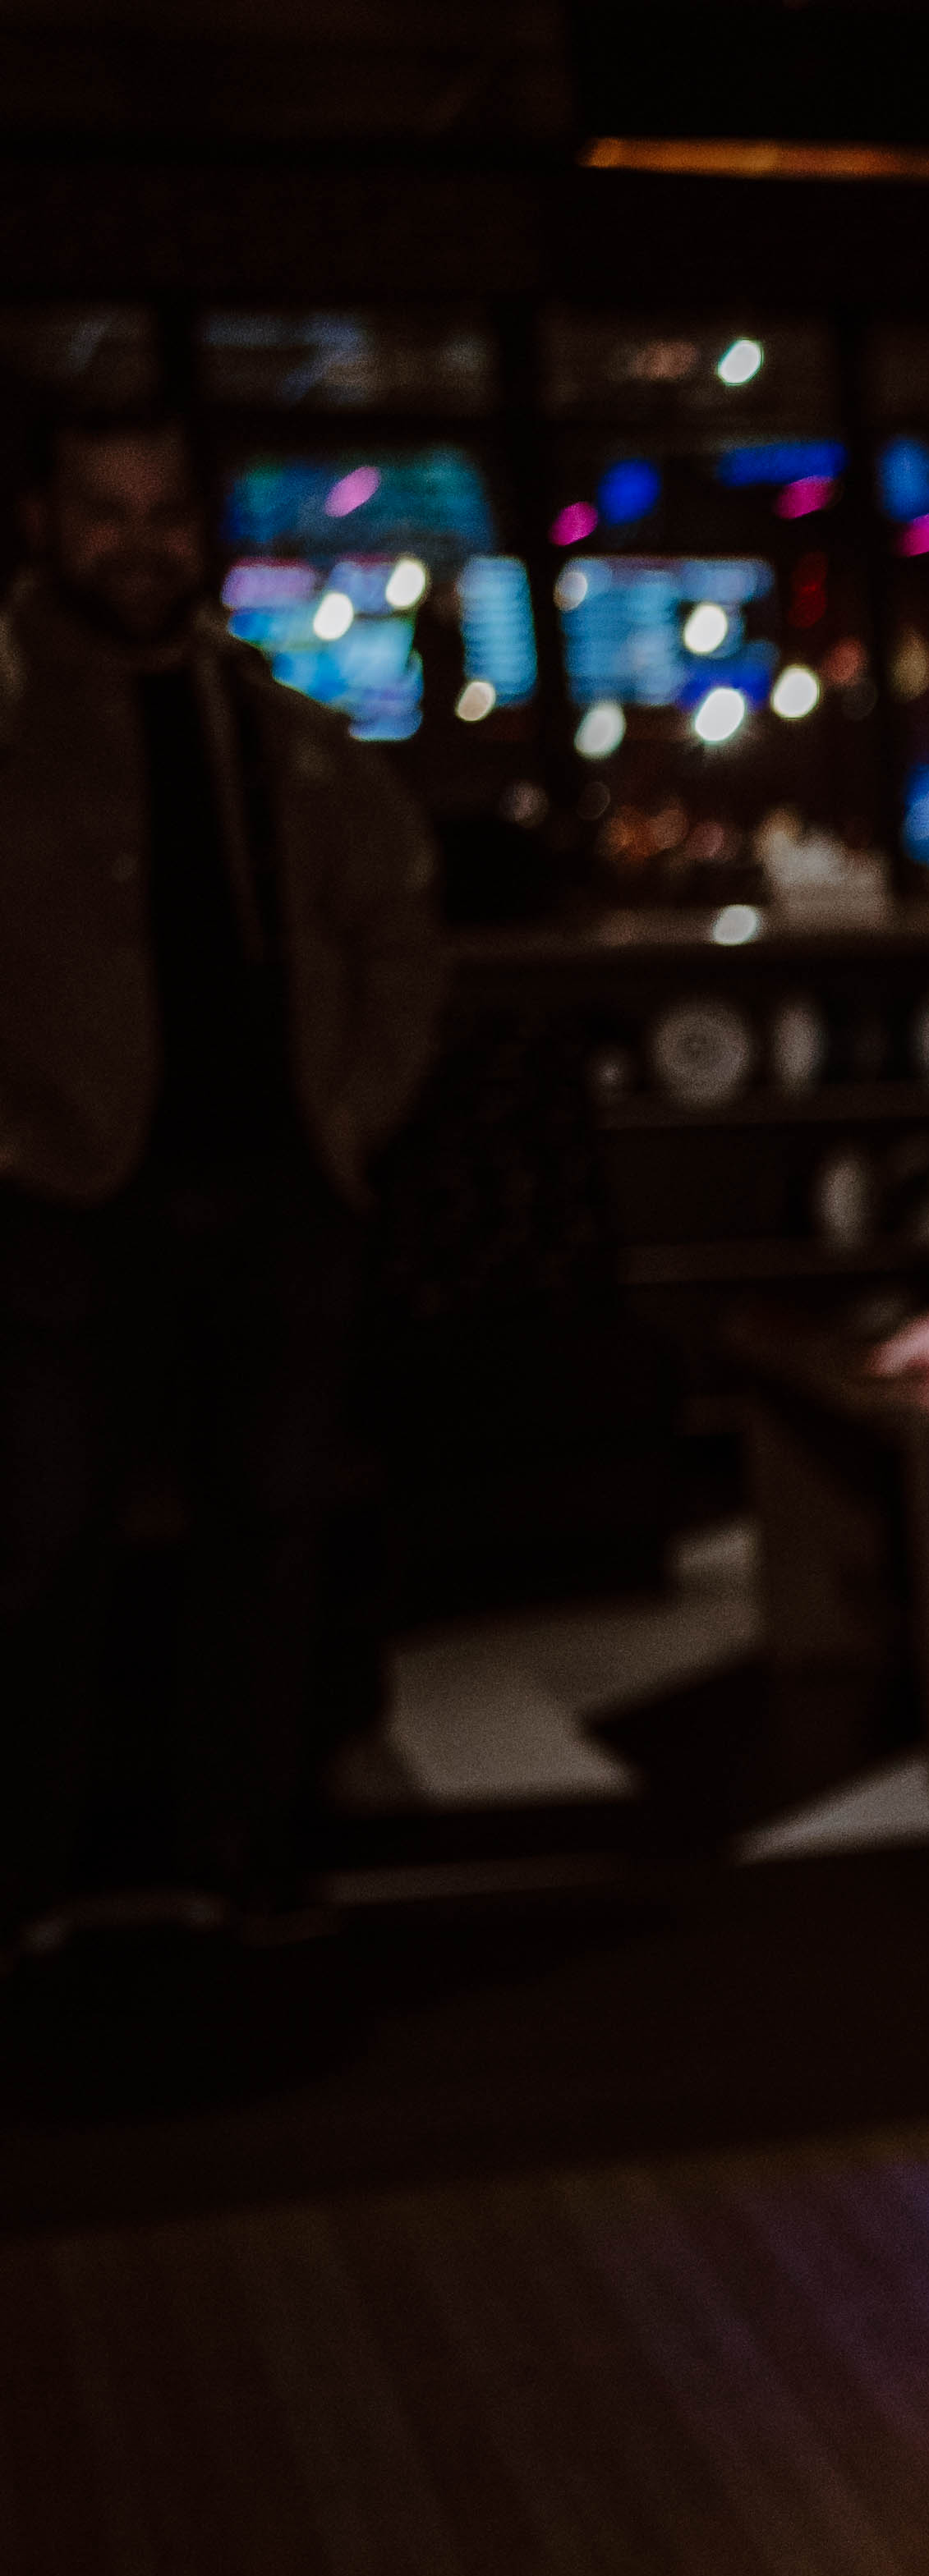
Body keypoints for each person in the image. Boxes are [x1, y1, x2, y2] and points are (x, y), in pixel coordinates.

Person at [0, 407, 445, 1952]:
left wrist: (350, 1117)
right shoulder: (9, 717)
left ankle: (238, 1854)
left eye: (165, 513)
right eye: (105, 511)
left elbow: (398, 927)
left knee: (268, 1538)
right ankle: (25, 1877)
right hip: (63, 1200)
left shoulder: (271, 719)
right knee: (39, 1539)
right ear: (43, 523)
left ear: (206, 532)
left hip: (275, 1194)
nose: (138, 543)